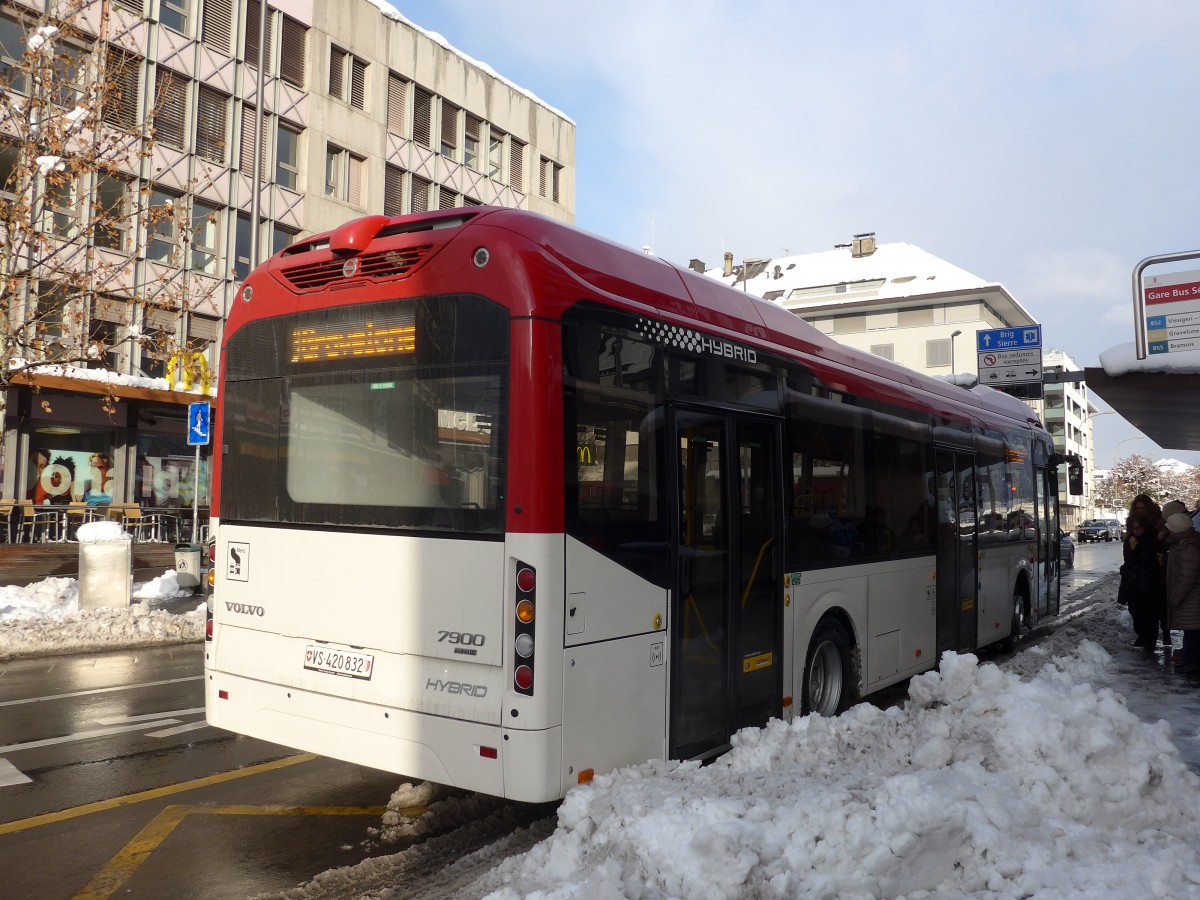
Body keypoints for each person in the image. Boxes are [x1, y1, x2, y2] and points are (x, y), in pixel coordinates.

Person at [1119, 515, 1164, 650]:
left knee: (1149, 613)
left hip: (1149, 581)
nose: (1136, 531)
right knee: (1135, 611)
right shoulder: (1130, 539)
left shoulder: (1152, 538)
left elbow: (1150, 556)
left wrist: (1137, 546)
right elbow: (1128, 558)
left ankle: (1149, 640)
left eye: (1138, 528)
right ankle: (1142, 635)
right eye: (1133, 529)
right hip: (1133, 581)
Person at [1164, 512, 1200, 676]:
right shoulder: (1183, 544)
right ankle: (1190, 661)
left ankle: (1193, 664)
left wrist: (1176, 596)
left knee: (1193, 633)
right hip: (1190, 598)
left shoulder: (1188, 548)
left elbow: (1187, 576)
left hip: (1192, 599)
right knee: (1191, 632)